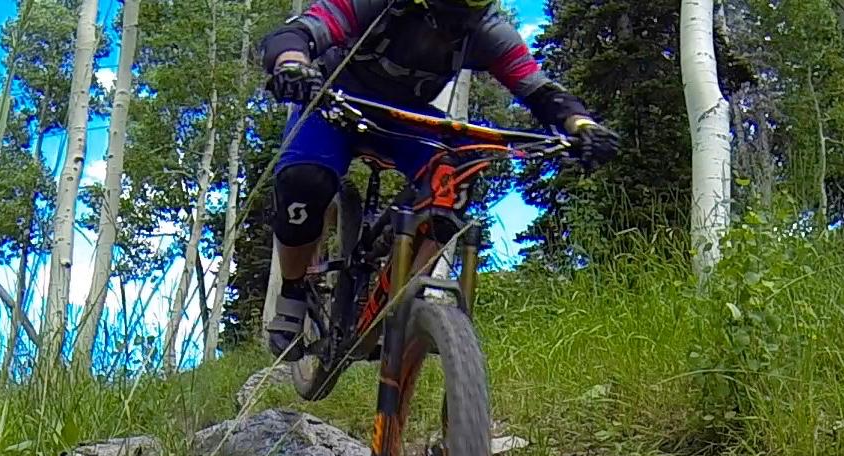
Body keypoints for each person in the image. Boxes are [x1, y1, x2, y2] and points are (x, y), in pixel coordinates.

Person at [260, 0, 619, 358]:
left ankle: (406, 301)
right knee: (304, 181)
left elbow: (539, 90)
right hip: (333, 101)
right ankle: (292, 293)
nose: (452, 27)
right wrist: (292, 65)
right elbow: (300, 32)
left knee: (456, 176)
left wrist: (581, 125)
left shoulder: (488, 30)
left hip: (404, 118)